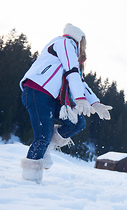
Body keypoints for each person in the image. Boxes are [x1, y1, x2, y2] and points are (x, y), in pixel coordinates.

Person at [19, 23, 112, 183]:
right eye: (84, 44)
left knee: (77, 123)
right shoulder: (64, 43)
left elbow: (80, 82)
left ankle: (48, 146)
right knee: (42, 136)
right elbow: (71, 72)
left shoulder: (72, 55)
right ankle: (30, 181)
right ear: (79, 40)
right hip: (37, 92)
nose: (85, 48)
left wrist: (95, 104)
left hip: (52, 99)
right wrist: (80, 99)